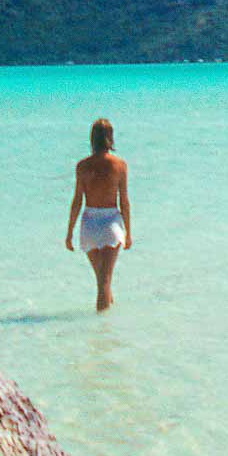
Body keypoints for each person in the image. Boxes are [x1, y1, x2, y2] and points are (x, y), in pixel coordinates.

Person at [65, 117, 132, 311]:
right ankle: (103, 335)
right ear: (110, 138)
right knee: (105, 283)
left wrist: (69, 233)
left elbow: (77, 201)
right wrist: (128, 232)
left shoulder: (83, 166)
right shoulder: (120, 165)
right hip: (110, 222)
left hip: (89, 225)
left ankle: (105, 327)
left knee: (103, 282)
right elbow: (124, 202)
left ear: (92, 139)